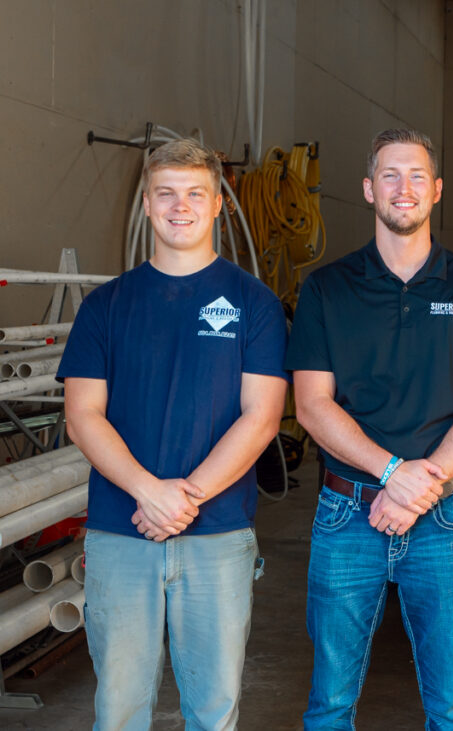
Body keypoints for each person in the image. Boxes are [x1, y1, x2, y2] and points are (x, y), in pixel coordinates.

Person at [286, 128, 453, 730]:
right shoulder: (327, 289)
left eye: (417, 176)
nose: (404, 188)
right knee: (330, 704)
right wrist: (392, 473)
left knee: (451, 708)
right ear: (369, 189)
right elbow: (312, 405)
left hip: (444, 516)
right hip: (346, 515)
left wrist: (421, 487)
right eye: (390, 175)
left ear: (437, 190)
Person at [59, 138, 288, 730]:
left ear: (218, 206)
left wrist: (183, 499)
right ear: (146, 203)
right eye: (166, 193)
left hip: (217, 535)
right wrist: (148, 491)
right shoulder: (105, 306)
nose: (179, 206)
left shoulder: (255, 304)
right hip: (121, 533)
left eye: (195, 193)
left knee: (213, 711)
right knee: (119, 709)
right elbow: (83, 414)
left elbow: (261, 417)